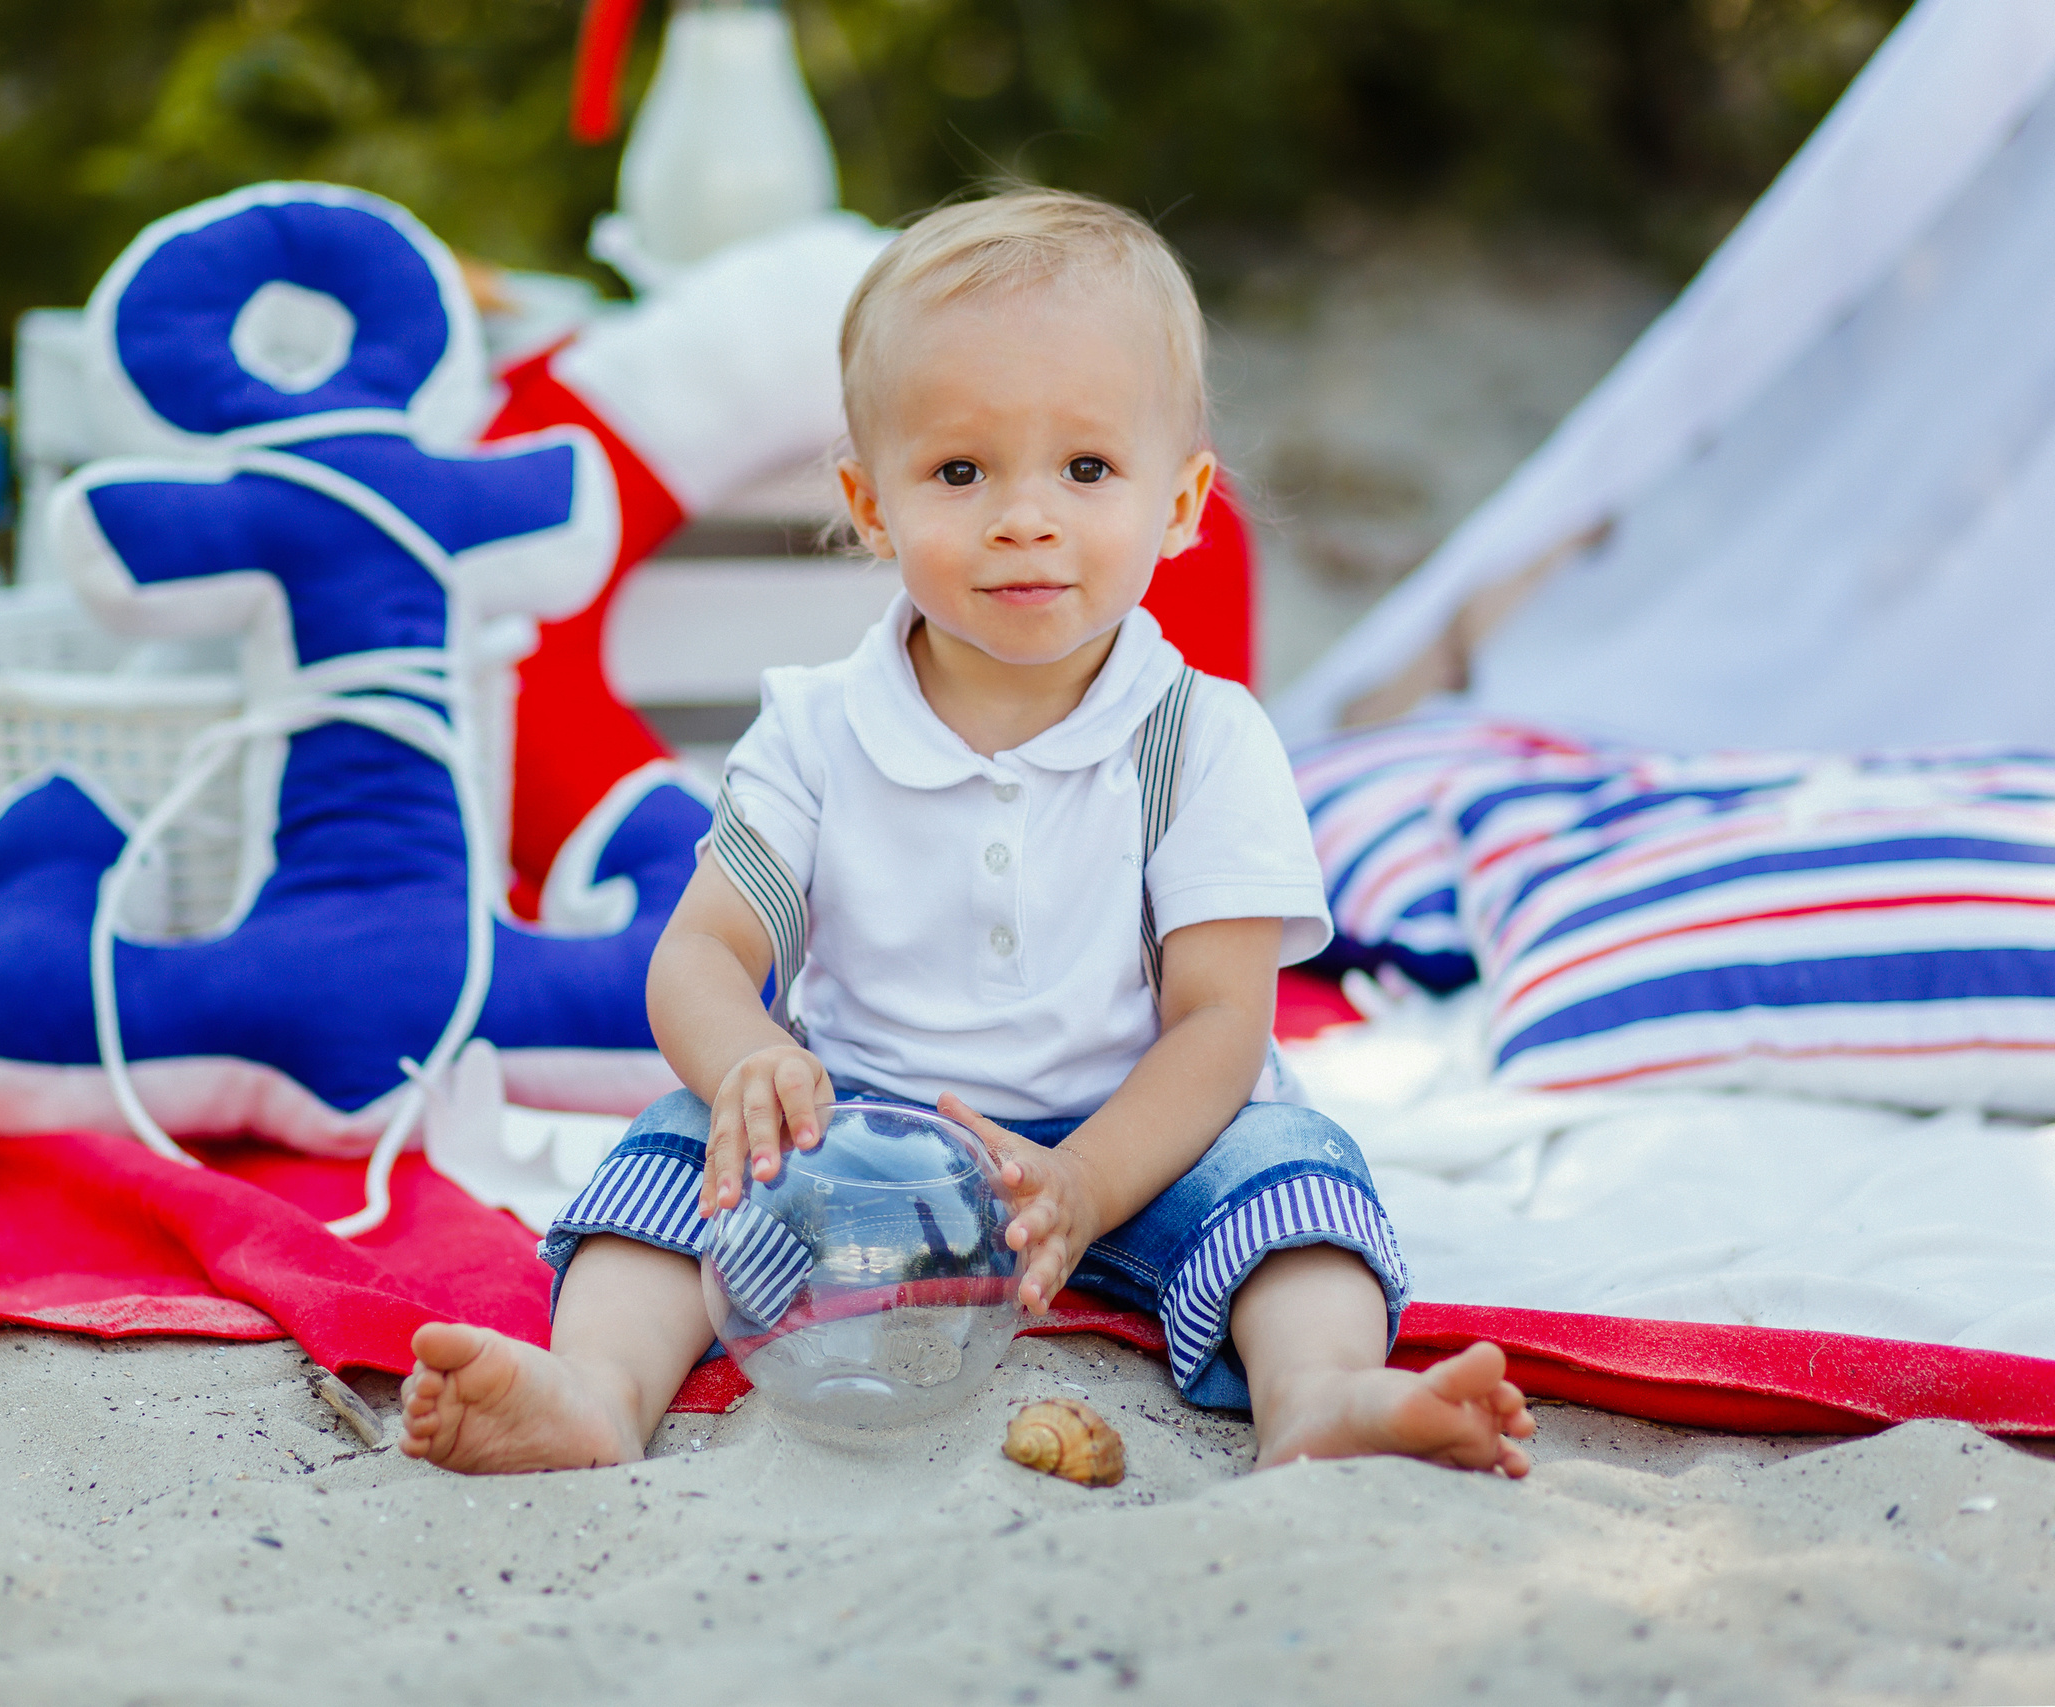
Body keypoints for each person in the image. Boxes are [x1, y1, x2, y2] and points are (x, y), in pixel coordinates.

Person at [399, 189, 1534, 1477]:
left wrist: (1092, 1181)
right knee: (669, 1165)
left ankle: (1321, 1397)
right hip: (863, 1149)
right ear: (870, 506)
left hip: (1144, 1131)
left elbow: (1223, 1023)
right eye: (959, 471)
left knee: (1299, 1181)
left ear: (1180, 504)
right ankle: (595, 1392)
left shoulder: (1201, 738)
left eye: (1088, 468)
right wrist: (749, 1063)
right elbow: (701, 954)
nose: (1024, 516)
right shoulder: (820, 729)